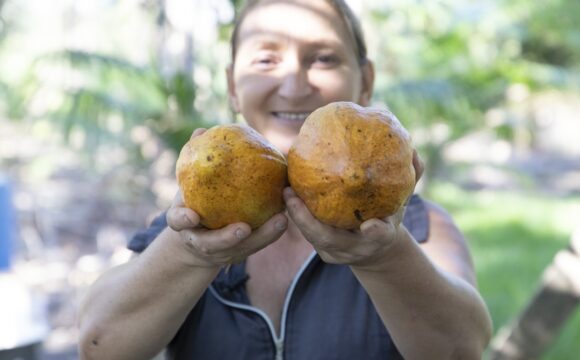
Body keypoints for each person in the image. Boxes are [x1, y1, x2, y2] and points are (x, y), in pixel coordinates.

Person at [78, 0, 493, 359]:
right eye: (266, 59)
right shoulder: (192, 224)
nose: (294, 86)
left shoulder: (420, 227)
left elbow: (464, 350)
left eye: (324, 58)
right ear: (232, 86)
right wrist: (191, 256)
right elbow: (99, 346)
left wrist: (383, 257)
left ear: (365, 81)